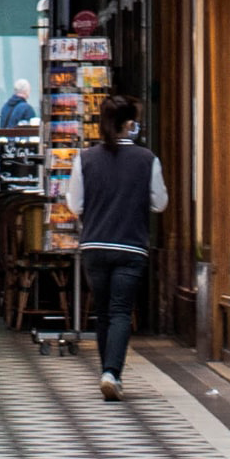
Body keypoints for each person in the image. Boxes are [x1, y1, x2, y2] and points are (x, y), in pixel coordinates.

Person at [66, 93, 167, 400]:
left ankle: (106, 370)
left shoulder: (85, 158)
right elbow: (160, 203)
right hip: (131, 245)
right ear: (129, 124)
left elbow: (74, 203)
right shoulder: (147, 159)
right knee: (121, 310)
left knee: (103, 311)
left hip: (95, 244)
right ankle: (112, 372)